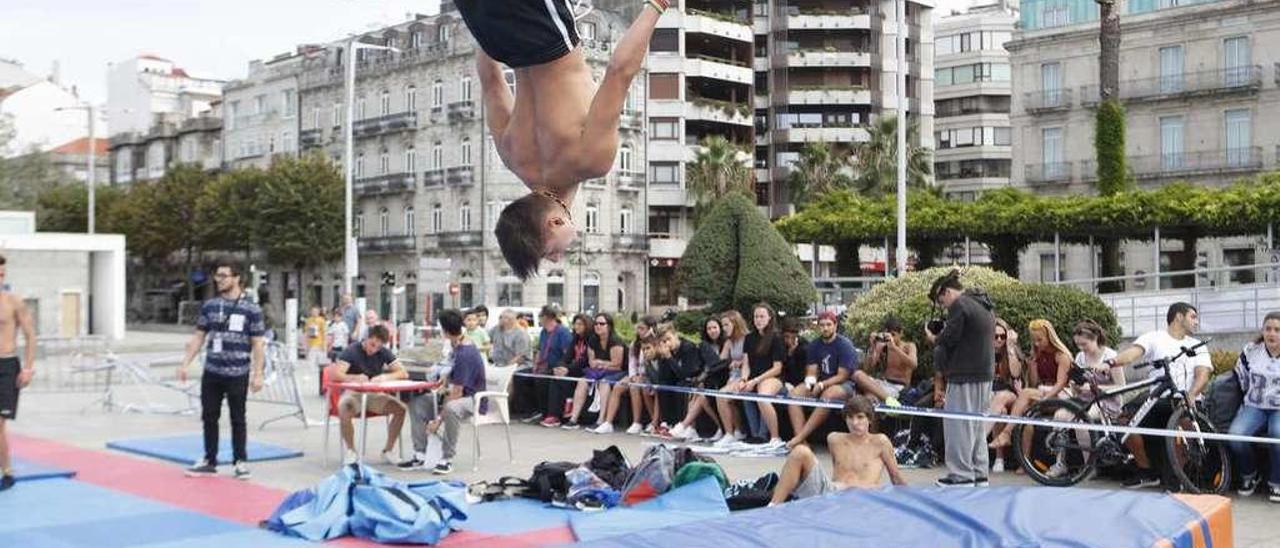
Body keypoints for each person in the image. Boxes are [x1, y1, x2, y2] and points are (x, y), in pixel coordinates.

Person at [456, 0, 666, 279]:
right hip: (490, 32)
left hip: (543, 30)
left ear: (554, 222)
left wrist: (658, 5)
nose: (557, 259)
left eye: (549, 253)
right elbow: (490, 79)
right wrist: (490, 24)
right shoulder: (511, 156)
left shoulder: (590, 161)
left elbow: (619, 72)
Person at [179, 258, 266, 480]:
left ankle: (240, 461)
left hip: (237, 372)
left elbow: (258, 343)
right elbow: (199, 336)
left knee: (238, 418)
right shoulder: (209, 306)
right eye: (217, 276)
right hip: (212, 371)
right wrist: (185, 363)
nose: (219, 280)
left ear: (236, 278)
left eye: (224, 276)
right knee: (209, 415)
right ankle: (210, 459)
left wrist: (258, 374)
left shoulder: (251, 309)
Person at [1110, 302, 1212, 489]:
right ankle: (1146, 472)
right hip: (1157, 399)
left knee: (1181, 429)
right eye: (1193, 317)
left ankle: (1176, 480)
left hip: (1186, 401)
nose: (1197, 322)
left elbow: (1203, 374)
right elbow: (1132, 354)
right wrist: (1111, 363)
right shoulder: (1154, 337)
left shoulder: (1197, 345)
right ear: (1179, 317)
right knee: (1124, 424)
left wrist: (1191, 395)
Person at [925, 269, 995, 487]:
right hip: (984, 374)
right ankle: (979, 473)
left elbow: (949, 339)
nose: (943, 306)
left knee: (958, 426)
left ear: (945, 292)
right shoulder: (984, 305)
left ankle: (961, 475)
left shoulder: (960, 305)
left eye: (940, 300)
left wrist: (933, 337)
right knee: (975, 426)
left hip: (964, 374)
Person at [768, 396, 907, 504]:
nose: (855, 423)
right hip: (831, 494)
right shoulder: (834, 439)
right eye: (850, 417)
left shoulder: (881, 441)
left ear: (869, 419)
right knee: (800, 451)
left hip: (864, 498)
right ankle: (772, 507)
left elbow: (896, 478)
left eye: (860, 417)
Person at [989, 319, 1073, 450]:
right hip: (1043, 392)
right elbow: (1034, 384)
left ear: (1049, 337)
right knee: (1025, 413)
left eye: (1040, 340)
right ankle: (1024, 460)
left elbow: (1061, 384)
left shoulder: (1061, 355)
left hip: (1062, 396)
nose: (1036, 343)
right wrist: (1032, 366)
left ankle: (1006, 434)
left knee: (1026, 393)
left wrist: (1044, 398)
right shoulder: (1038, 354)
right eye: (1034, 340)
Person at [330, 325, 408, 465]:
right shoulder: (352, 350)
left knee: (400, 409)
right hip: (353, 393)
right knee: (344, 408)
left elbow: (403, 372)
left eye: (378, 347)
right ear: (367, 338)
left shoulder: (383, 352)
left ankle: (388, 450)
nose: (374, 350)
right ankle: (351, 451)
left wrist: (385, 378)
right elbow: (335, 374)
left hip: (373, 393)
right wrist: (354, 378)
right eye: (372, 345)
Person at [424, 309, 488, 475]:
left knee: (451, 408)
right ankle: (420, 453)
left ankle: (447, 458)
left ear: (445, 331)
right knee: (420, 402)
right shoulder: (456, 345)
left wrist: (438, 420)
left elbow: (457, 392)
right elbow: (450, 372)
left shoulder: (465, 352)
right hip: (459, 392)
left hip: (474, 398)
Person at [785, 311, 858, 449]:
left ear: (835, 325)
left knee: (828, 395)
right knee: (794, 395)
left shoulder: (844, 345)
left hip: (843, 385)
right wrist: (810, 383)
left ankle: (799, 437)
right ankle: (802, 443)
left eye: (829, 325)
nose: (825, 328)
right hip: (820, 382)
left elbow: (843, 375)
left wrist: (822, 384)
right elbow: (812, 371)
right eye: (822, 325)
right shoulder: (814, 345)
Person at [1229, 312, 1280, 502]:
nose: (1272, 333)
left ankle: (1276, 482)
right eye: (1268, 329)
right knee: (1236, 436)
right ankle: (1249, 475)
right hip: (1254, 406)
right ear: (1262, 331)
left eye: (1277, 330)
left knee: (1278, 435)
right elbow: (1241, 378)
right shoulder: (1251, 350)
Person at [0, 255, 36, 491]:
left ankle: (7, 471)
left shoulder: (13, 301)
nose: (0, 277)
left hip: (6, 365)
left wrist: (28, 368)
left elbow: (30, 335)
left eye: (2, 274)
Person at [593, 315, 659, 435]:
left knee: (635, 386)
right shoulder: (635, 344)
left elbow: (652, 365)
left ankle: (640, 422)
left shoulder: (656, 343)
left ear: (651, 329)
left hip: (649, 375)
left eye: (642, 328)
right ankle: (608, 422)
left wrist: (640, 376)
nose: (639, 331)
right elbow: (632, 363)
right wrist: (633, 375)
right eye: (638, 328)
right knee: (618, 386)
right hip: (636, 374)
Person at [563, 313, 626, 429]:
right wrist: (603, 363)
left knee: (604, 383)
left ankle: (601, 420)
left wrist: (601, 363)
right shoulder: (593, 340)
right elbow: (592, 362)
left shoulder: (616, 341)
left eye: (602, 324)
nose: (598, 326)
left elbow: (617, 365)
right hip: (598, 371)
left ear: (609, 326)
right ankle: (573, 419)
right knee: (582, 381)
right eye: (596, 323)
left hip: (618, 372)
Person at [670, 316, 728, 441]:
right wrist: (701, 379)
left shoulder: (726, 344)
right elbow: (702, 367)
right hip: (708, 381)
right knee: (696, 395)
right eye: (709, 328)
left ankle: (684, 425)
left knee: (701, 396)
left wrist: (704, 377)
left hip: (722, 380)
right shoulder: (704, 346)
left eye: (715, 327)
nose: (712, 331)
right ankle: (691, 428)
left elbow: (718, 365)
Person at [739, 303, 787, 449]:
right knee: (745, 391)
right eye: (756, 316)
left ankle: (774, 436)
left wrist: (756, 380)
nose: (758, 320)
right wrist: (744, 379)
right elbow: (746, 363)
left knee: (763, 394)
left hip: (774, 378)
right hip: (753, 377)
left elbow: (777, 368)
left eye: (762, 316)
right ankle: (756, 435)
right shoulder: (749, 338)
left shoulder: (776, 338)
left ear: (769, 318)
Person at [518, 306, 574, 423]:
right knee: (521, 376)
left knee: (542, 378)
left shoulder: (562, 332)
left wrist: (561, 366)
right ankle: (530, 410)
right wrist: (535, 365)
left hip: (555, 365)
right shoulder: (544, 332)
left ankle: (548, 412)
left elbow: (567, 353)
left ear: (547, 317)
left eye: (541, 317)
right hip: (543, 365)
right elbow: (539, 350)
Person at [986, 318, 1026, 473]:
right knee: (1000, 412)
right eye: (995, 336)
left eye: (1002, 337)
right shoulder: (984, 352)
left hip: (1010, 394)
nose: (999, 340)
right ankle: (999, 458)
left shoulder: (1011, 351)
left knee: (1001, 397)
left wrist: (1010, 346)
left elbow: (1016, 374)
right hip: (989, 396)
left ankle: (979, 441)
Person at [540, 314, 592, 427]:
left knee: (557, 380)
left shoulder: (591, 340)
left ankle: (555, 416)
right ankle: (544, 412)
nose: (576, 326)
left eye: (580, 324)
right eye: (575, 324)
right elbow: (566, 357)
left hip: (583, 371)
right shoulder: (576, 338)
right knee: (544, 376)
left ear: (587, 326)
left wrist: (567, 370)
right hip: (571, 369)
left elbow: (584, 361)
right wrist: (560, 367)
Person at [652, 327, 705, 437]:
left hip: (693, 379)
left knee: (681, 386)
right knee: (663, 386)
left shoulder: (688, 348)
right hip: (677, 380)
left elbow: (685, 374)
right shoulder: (667, 351)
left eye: (668, 339)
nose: (667, 343)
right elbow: (663, 376)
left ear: (675, 336)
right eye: (663, 342)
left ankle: (686, 426)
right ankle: (667, 422)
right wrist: (663, 357)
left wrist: (669, 357)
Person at [858, 316, 915, 405]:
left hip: (898, 387)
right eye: (888, 335)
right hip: (883, 383)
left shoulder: (908, 346)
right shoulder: (883, 346)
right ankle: (874, 399)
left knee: (869, 397)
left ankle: (879, 400)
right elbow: (867, 369)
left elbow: (913, 364)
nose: (891, 338)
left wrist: (895, 348)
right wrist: (873, 347)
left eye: (893, 335)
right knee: (859, 376)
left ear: (901, 334)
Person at [714, 311, 751, 446]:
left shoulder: (747, 338)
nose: (724, 328)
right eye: (723, 325)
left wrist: (739, 362)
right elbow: (721, 361)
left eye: (726, 325)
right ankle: (738, 430)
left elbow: (750, 359)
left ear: (735, 323)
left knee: (722, 396)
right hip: (732, 376)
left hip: (744, 375)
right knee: (728, 400)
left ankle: (729, 433)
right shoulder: (729, 341)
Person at [304, 306, 328, 370]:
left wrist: (324, 344)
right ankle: (312, 373)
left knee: (320, 361)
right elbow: (306, 333)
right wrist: (306, 344)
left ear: (318, 312)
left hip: (319, 343)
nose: (314, 313)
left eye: (316, 311)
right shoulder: (308, 320)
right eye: (313, 311)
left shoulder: (321, 320)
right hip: (311, 343)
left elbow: (324, 332)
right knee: (311, 361)